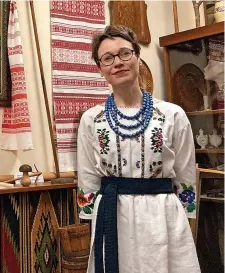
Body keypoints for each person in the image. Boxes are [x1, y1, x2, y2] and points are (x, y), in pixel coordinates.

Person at [77, 25, 201, 273]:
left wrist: (186, 220)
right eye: (108, 58)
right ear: (100, 68)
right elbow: (88, 176)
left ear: (137, 57)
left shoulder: (172, 115)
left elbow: (186, 174)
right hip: (113, 217)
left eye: (125, 53)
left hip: (162, 216)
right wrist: (91, 219)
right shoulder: (92, 119)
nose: (118, 62)